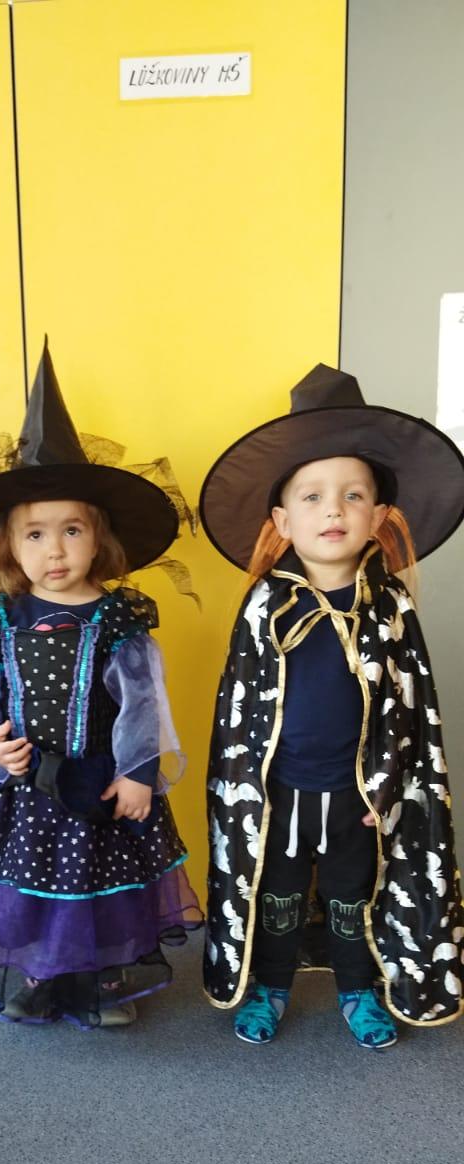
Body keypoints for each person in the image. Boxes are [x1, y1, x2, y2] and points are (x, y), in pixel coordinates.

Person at [0, 338, 200, 1025]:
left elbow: (141, 702)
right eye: (35, 535)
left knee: (101, 885)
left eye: (72, 530)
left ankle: (99, 981)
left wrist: (138, 773)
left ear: (98, 538)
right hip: (32, 783)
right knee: (36, 886)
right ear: (10, 546)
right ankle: (43, 974)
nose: (55, 549)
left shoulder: (118, 617)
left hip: (100, 780)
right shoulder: (0, 619)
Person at [199, 363, 464, 1048]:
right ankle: (270, 987)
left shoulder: (391, 605)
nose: (334, 511)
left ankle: (357, 990)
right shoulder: (264, 604)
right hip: (281, 791)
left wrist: (393, 786)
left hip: (360, 796)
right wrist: (249, 792)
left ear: (378, 515)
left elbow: (412, 709)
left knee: (353, 898)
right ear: (283, 520)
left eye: (353, 495)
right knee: (278, 897)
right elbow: (239, 712)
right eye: (313, 497)